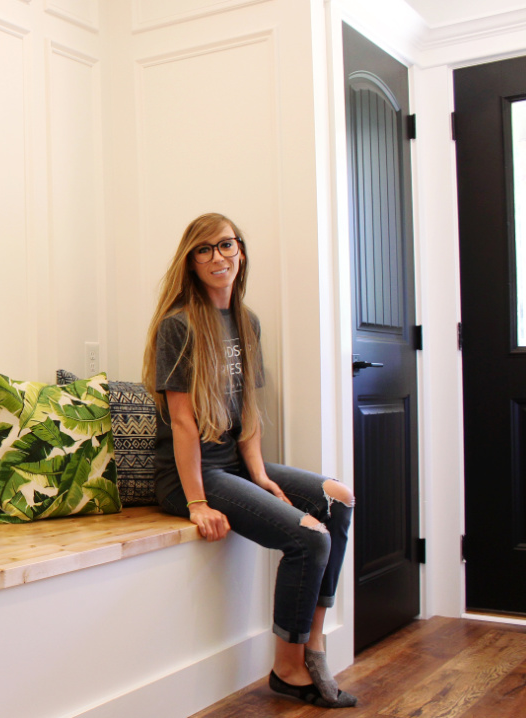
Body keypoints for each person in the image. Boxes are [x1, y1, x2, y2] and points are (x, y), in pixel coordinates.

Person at [142, 213, 358, 708]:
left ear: (241, 251)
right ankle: (287, 667)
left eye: (226, 245)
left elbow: (247, 410)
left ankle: (313, 640)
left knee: (338, 499)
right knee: (309, 537)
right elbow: (181, 421)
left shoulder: (246, 321)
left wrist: (260, 473)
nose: (218, 257)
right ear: (191, 263)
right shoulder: (178, 325)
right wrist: (196, 501)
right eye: (204, 250)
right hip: (189, 475)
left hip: (234, 467)